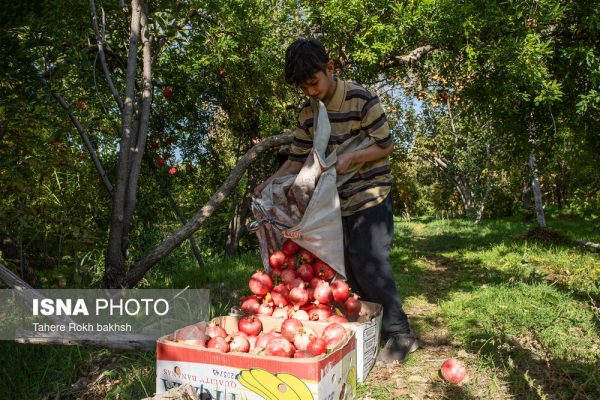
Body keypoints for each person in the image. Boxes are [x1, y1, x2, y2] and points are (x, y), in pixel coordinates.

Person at [254, 38, 418, 365]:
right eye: (304, 88)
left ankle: (401, 334)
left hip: (371, 191)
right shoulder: (309, 112)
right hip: (335, 201)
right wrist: (268, 183)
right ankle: (368, 324)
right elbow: (297, 158)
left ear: (330, 69)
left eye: (314, 82)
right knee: (347, 269)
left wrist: (353, 157)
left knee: (368, 257)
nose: (311, 92)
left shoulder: (360, 99)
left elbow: (385, 145)